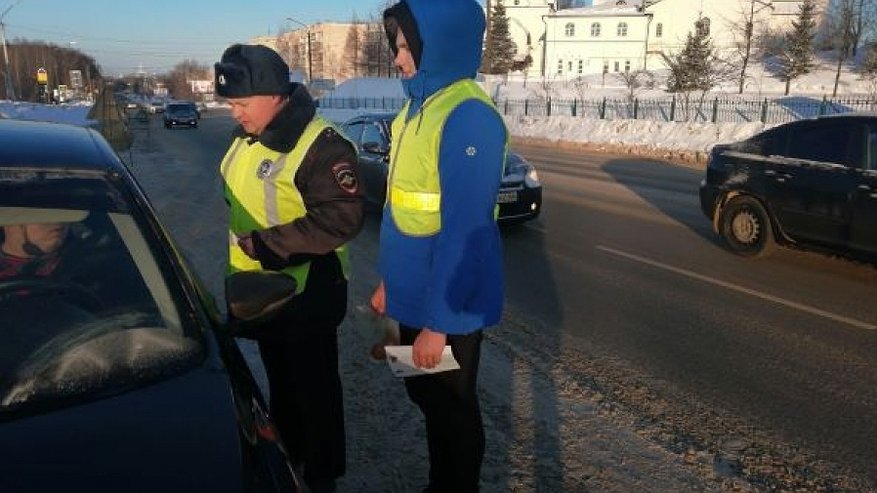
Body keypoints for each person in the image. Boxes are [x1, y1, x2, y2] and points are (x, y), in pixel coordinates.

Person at [369, 1, 509, 492]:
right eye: (397, 47)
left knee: (452, 411)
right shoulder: (415, 109)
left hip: (446, 306)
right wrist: (389, 280)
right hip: (413, 294)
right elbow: (398, 208)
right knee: (425, 398)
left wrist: (439, 326)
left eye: (407, 47)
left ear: (441, 43)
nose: (399, 59)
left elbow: (466, 233)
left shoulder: (468, 115)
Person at [214, 44, 363, 493]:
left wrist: (265, 246)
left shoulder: (320, 144)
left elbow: (341, 217)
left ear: (273, 95)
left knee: (314, 392)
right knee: (283, 385)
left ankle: (320, 477)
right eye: (231, 104)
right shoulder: (249, 136)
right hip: (265, 291)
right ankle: (291, 462)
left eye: (241, 103)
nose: (235, 113)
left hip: (307, 292)